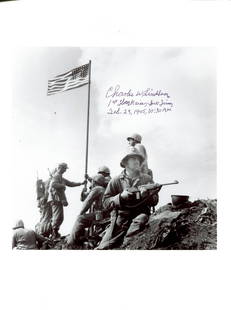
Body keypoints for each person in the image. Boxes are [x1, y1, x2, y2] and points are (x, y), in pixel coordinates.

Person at [97, 149, 161, 250]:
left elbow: (155, 201)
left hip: (140, 216)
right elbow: (105, 203)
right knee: (104, 247)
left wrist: (147, 196)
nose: (137, 161)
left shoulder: (147, 179)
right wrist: (121, 197)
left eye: (139, 159)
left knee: (131, 242)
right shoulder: (116, 180)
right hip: (120, 219)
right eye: (133, 159)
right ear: (125, 162)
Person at [67, 174, 109, 248]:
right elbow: (84, 198)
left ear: (94, 182)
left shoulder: (97, 189)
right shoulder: (101, 189)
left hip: (102, 214)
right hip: (104, 213)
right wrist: (83, 192)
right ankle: (82, 238)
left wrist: (80, 214)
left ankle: (71, 242)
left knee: (80, 219)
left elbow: (87, 202)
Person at [47, 162, 85, 239]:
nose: (65, 170)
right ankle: (53, 232)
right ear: (60, 168)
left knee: (60, 217)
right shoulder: (56, 176)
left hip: (58, 199)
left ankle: (55, 231)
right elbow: (53, 184)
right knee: (57, 216)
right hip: (55, 199)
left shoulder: (60, 177)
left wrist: (80, 183)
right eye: (64, 168)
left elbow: (70, 183)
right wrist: (62, 185)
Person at [35, 169, 57, 237]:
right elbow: (46, 192)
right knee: (47, 217)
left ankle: (43, 231)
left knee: (45, 217)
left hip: (45, 202)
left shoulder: (47, 181)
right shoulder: (50, 181)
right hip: (46, 202)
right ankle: (43, 231)